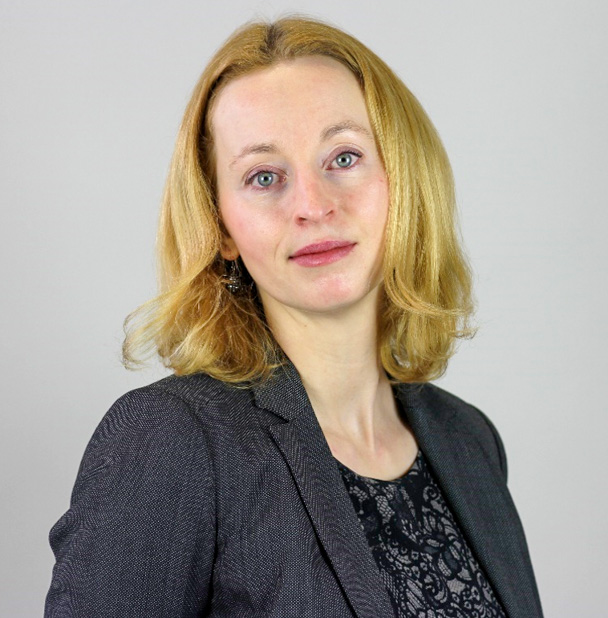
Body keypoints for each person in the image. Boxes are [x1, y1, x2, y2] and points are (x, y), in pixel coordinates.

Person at [45, 16, 543, 618]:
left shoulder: (469, 439)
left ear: (404, 181)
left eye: (344, 157)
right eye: (264, 177)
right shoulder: (171, 441)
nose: (312, 205)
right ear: (221, 228)